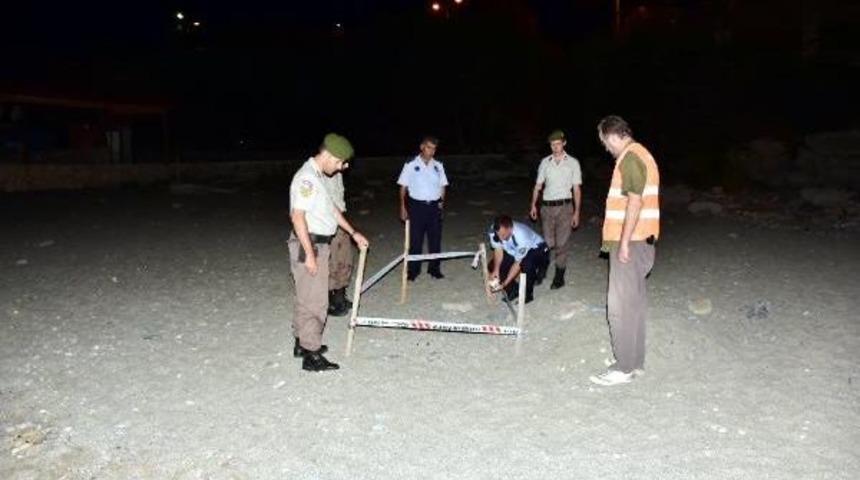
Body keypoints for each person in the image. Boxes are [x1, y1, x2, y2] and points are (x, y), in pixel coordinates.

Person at [288, 133, 369, 372]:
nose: (343, 167)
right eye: (341, 162)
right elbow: (297, 216)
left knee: (306, 295)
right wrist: (310, 255)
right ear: (329, 155)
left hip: (317, 243)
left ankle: (302, 343)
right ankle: (311, 355)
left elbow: (331, 210)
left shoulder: (317, 176)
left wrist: (353, 233)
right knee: (315, 301)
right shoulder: (307, 179)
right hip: (310, 244)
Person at [589, 116, 660, 386]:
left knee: (619, 306)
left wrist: (625, 242)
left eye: (605, 143)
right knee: (635, 305)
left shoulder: (631, 157)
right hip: (645, 241)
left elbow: (634, 201)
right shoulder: (644, 155)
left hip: (631, 242)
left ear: (613, 136)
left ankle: (624, 367)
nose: (607, 148)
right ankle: (635, 363)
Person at [529, 129, 582, 290]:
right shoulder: (545, 162)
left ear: (564, 143)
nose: (555, 147)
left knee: (562, 243)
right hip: (547, 207)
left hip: (566, 207)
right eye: (552, 144)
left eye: (558, 144)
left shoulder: (573, 163)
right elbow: (538, 186)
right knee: (547, 243)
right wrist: (533, 204)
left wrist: (577, 212)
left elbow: (577, 189)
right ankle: (542, 271)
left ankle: (559, 277)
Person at [397, 135, 449, 281]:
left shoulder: (438, 165)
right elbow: (403, 187)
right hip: (417, 207)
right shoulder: (411, 164)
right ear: (422, 147)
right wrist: (402, 206)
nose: (431, 151)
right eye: (428, 147)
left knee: (435, 240)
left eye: (434, 148)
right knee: (415, 240)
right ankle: (413, 271)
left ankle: (434, 269)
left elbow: (443, 186)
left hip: (434, 206)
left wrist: (441, 204)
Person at [486, 215, 550, 304]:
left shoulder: (521, 236)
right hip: (514, 250)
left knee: (526, 265)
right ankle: (513, 290)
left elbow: (517, 263)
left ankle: (528, 295)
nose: (500, 238)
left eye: (503, 235)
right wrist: (496, 270)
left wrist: (505, 283)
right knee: (492, 266)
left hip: (537, 248)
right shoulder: (493, 230)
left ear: (510, 229)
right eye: (498, 235)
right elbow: (498, 250)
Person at [322, 169, 354, 317]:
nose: (346, 165)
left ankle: (340, 296)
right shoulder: (318, 174)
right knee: (331, 263)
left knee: (345, 260)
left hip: (341, 221)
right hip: (327, 223)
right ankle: (329, 301)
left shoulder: (337, 174)